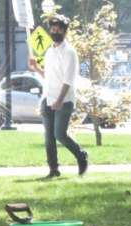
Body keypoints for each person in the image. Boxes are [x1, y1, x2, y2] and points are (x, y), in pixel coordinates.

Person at [28, 14, 88, 179]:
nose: (54, 32)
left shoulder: (69, 53)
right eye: (52, 29)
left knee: (60, 134)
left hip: (64, 100)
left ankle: (81, 155)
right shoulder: (50, 51)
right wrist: (36, 68)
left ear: (64, 31)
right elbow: (48, 76)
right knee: (49, 138)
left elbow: (68, 80)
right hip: (47, 98)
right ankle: (53, 169)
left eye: (57, 29)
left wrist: (60, 100)